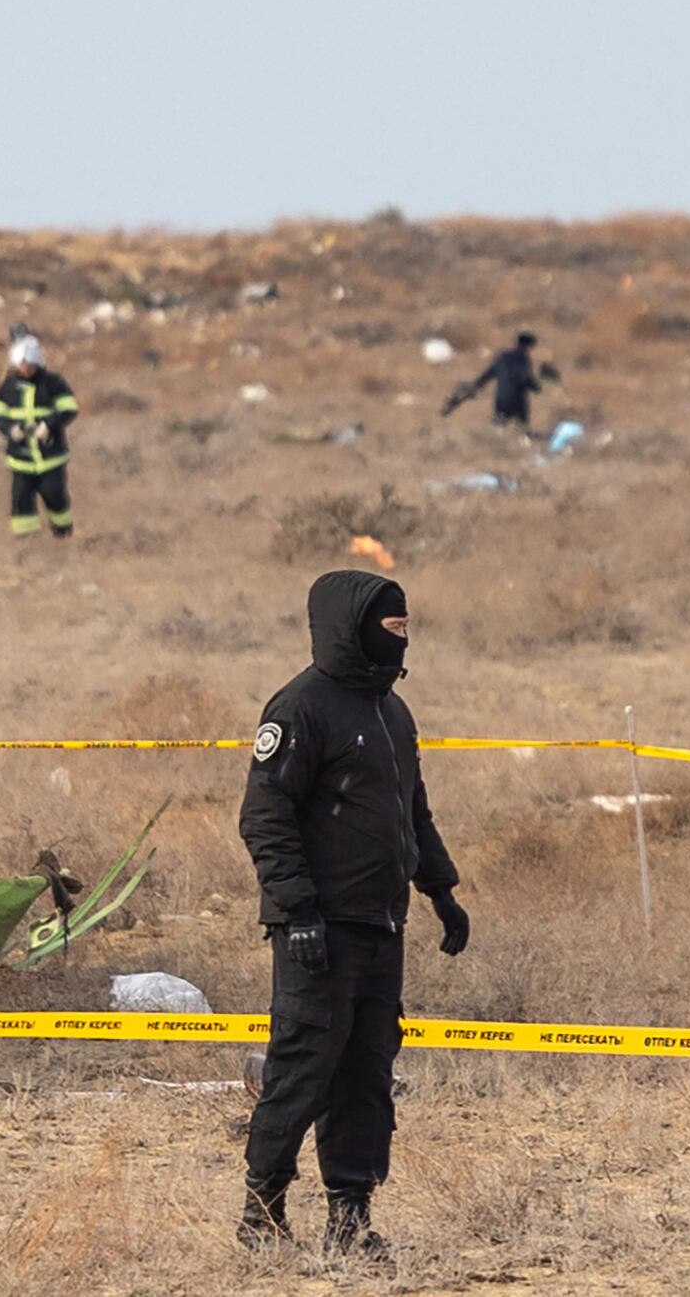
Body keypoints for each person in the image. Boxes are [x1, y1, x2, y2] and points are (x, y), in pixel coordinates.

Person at [236, 569, 469, 1258]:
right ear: (353, 628)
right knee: (303, 1068)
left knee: (366, 1075)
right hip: (316, 931)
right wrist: (298, 909)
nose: (400, 639)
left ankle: (350, 1221)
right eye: (390, 628)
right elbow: (264, 816)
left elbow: (412, 812)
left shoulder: (392, 713)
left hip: (380, 924)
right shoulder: (300, 709)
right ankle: (261, 1214)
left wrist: (441, 890)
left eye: (404, 629)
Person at [0, 334, 78, 539]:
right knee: (21, 501)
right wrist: (10, 430)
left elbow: (69, 408)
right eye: (21, 366)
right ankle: (26, 545)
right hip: (21, 459)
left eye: (29, 366)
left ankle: (63, 534)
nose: (25, 370)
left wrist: (49, 426)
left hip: (51, 457)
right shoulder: (8, 387)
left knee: (54, 494)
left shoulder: (53, 383)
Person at [442, 332, 552, 428]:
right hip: (517, 400)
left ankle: (496, 433)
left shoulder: (503, 357)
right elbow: (524, 378)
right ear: (530, 346)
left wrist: (477, 385)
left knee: (500, 421)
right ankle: (523, 433)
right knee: (521, 423)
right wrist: (536, 387)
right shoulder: (523, 359)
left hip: (500, 399)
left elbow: (488, 374)